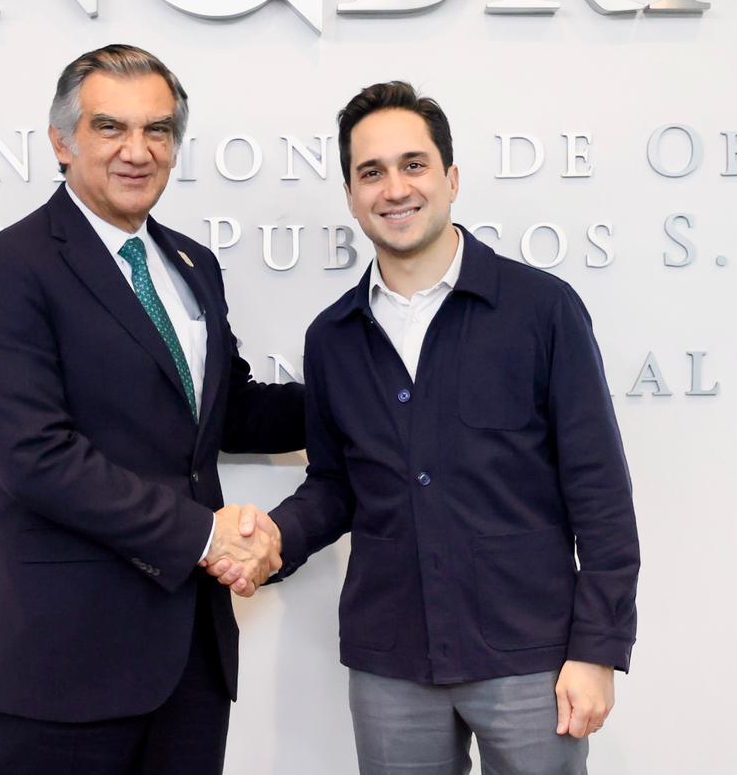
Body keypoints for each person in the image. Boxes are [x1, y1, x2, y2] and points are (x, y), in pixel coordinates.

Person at [209, 82, 640, 774]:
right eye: (371, 172)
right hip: (391, 661)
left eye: (413, 165)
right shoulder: (332, 337)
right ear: (351, 196)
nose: (395, 188)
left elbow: (601, 495)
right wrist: (276, 537)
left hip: (530, 655)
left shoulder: (542, 310)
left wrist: (598, 650)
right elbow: (336, 484)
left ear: (451, 179)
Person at [0, 44, 303, 775]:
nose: (138, 151)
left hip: (189, 649)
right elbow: (36, 456)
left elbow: (225, 413)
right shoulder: (10, 265)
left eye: (157, 130)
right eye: (111, 128)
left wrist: (366, 393)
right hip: (63, 645)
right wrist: (205, 535)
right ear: (62, 141)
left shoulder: (192, 263)